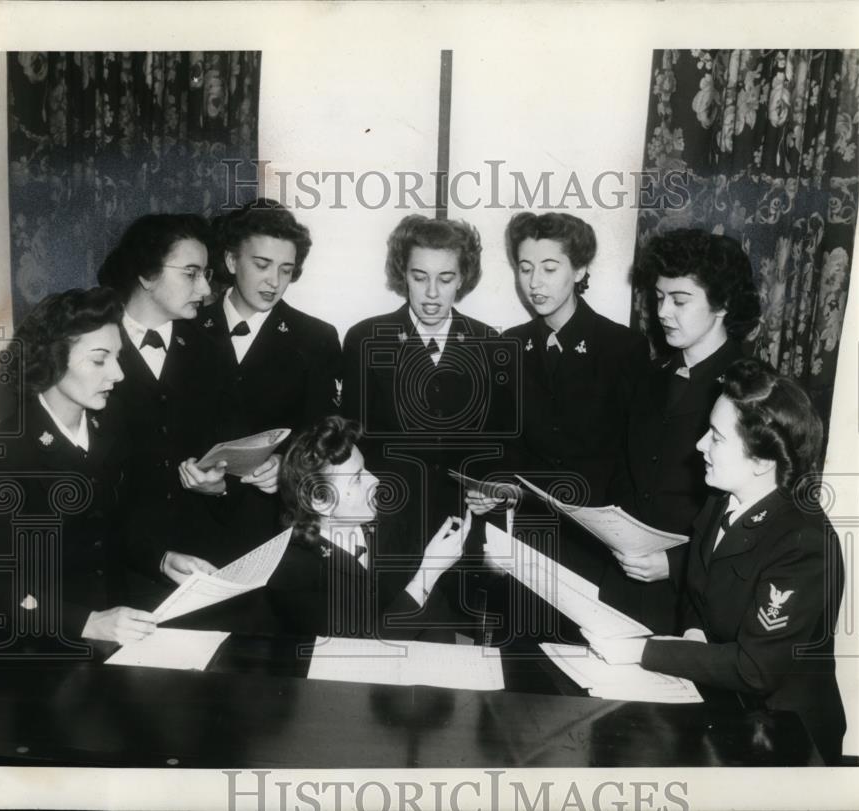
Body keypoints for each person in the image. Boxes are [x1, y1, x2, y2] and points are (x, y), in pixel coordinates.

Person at [582, 359, 846, 765]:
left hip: (787, 735)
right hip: (729, 709)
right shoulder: (722, 500)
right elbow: (697, 584)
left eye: (717, 438)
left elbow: (756, 669)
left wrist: (642, 651)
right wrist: (692, 632)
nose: (700, 445)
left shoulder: (802, 542)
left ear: (761, 461)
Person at [0, 288, 157, 655]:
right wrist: (86, 622)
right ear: (52, 361)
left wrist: (162, 558)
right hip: (38, 648)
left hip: (118, 634)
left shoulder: (112, 422)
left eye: (118, 357)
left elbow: (114, 529)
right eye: (100, 360)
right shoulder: (5, 455)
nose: (118, 374)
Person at [96, 213, 270, 606]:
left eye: (206, 274)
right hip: (118, 572)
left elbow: (235, 451)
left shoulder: (213, 348)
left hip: (202, 571)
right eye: (191, 273)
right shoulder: (91, 347)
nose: (206, 289)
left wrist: (221, 486)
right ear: (146, 274)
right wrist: (151, 555)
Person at [599, 228, 761, 633]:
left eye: (680, 300)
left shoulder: (755, 390)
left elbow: (757, 517)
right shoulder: (650, 378)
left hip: (695, 603)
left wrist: (673, 565)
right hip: (622, 586)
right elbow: (624, 475)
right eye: (658, 298)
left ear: (721, 304)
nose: (663, 312)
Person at [472, 212, 649, 582]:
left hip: (597, 544)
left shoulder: (622, 347)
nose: (534, 283)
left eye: (550, 268)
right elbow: (503, 444)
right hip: (526, 537)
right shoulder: (509, 346)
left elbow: (632, 458)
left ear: (581, 270)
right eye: (525, 268)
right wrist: (494, 486)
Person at [342, 214, 510, 543]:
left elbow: (499, 444)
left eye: (446, 278)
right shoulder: (365, 338)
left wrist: (493, 488)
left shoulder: (489, 342)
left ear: (463, 278)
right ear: (403, 274)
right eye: (420, 277)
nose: (432, 293)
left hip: (463, 524)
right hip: (387, 522)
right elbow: (351, 438)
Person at [199, 199, 342, 551]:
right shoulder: (186, 326)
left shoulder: (316, 338)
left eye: (286, 269)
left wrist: (284, 465)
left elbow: (321, 432)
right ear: (232, 260)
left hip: (272, 525)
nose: (274, 281)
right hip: (191, 519)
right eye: (262, 264)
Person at [266, 416, 470, 640]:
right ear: (321, 501)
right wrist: (429, 572)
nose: (375, 481)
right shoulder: (293, 573)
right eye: (356, 478)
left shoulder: (385, 521)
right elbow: (363, 658)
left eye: (365, 469)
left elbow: (435, 607)